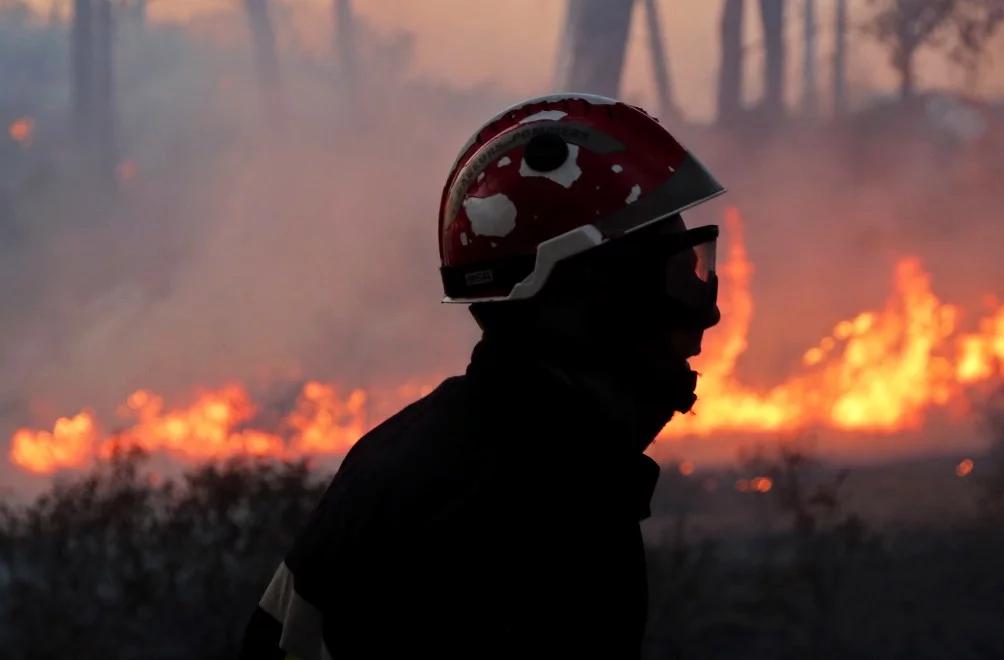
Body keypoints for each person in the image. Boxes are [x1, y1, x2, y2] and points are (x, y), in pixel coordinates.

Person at [240, 93, 726, 659]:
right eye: (677, 274)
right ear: (586, 299)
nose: (704, 310)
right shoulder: (529, 517)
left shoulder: (444, 456)